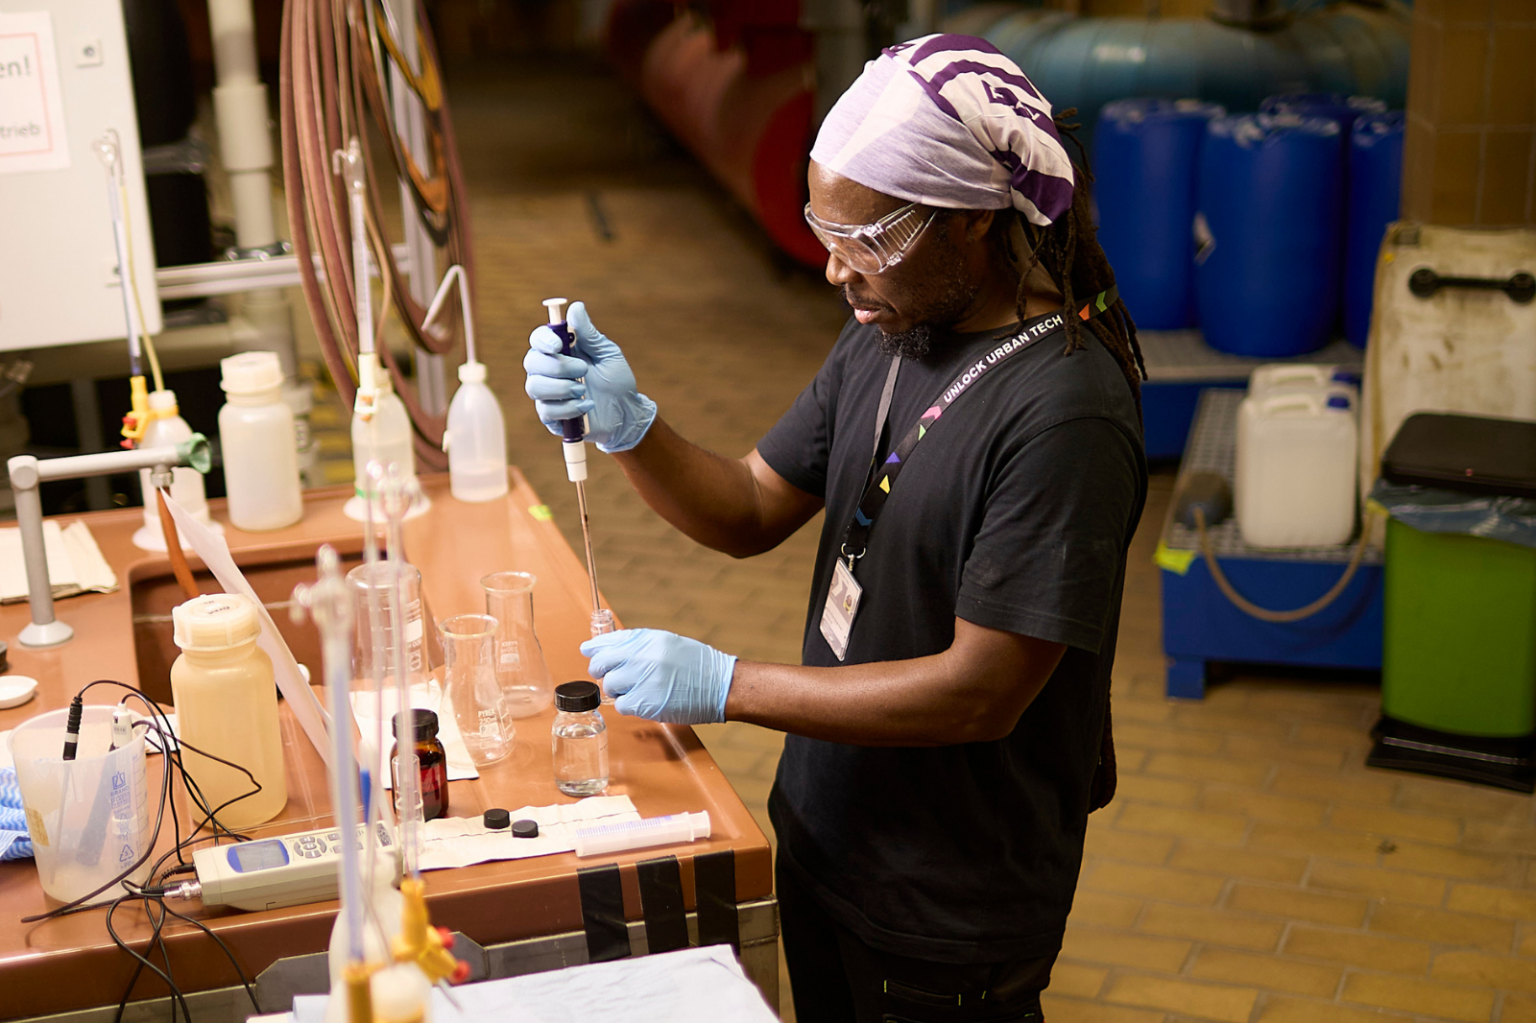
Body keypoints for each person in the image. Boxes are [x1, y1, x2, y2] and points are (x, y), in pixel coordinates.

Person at [523, 34, 1147, 1023]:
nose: (835, 272)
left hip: (944, 906)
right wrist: (630, 428)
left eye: (869, 241)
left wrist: (730, 685)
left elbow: (982, 694)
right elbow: (750, 507)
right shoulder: (894, 328)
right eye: (826, 230)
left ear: (972, 220)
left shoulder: (1062, 409)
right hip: (827, 837)